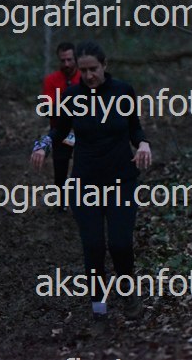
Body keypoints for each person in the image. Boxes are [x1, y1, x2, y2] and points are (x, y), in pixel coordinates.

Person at [31, 41, 152, 333]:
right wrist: (42, 146)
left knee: (120, 244)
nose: (88, 76)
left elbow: (134, 127)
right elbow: (58, 129)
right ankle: (99, 310)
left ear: (104, 65)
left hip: (121, 180)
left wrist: (144, 144)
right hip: (85, 181)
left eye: (93, 69)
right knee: (94, 246)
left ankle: (128, 293)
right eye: (83, 70)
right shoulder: (71, 96)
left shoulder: (123, 91)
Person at [41, 42, 81, 210]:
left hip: (82, 130)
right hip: (60, 129)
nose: (66, 64)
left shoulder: (84, 77)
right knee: (60, 164)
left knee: (83, 164)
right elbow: (48, 108)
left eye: (69, 60)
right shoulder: (51, 80)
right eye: (63, 60)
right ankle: (61, 200)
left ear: (76, 59)